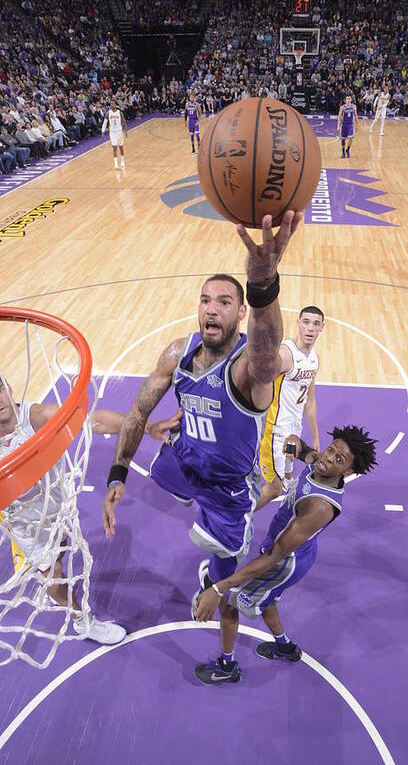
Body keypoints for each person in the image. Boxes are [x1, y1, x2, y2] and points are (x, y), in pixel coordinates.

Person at [102, 211, 304, 611]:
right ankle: (184, 483)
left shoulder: (249, 366)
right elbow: (138, 413)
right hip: (185, 459)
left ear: (241, 313)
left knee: (227, 557)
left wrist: (263, 285)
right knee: (162, 447)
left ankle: (210, 578)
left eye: (225, 302)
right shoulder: (179, 351)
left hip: (229, 487)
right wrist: (117, 474)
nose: (212, 309)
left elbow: (267, 354)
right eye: (206, 300)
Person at [193, 425, 378, 684]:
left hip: (285, 561)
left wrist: (218, 589)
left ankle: (227, 666)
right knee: (268, 600)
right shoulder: (321, 464)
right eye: (331, 449)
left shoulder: (319, 506)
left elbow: (273, 557)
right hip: (293, 550)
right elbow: (306, 451)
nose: (328, 457)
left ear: (348, 471)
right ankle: (284, 647)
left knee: (228, 602)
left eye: (339, 459)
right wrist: (295, 442)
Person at [0, 377, 175, 644]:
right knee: (54, 575)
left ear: (9, 387)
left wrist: (146, 425)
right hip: (24, 522)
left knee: (61, 546)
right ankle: (82, 619)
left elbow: (94, 421)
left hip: (55, 504)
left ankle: (44, 569)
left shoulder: (33, 417)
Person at [258, 306, 324, 510]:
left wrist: (315, 436)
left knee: (288, 470)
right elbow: (257, 380)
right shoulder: (285, 354)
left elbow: (310, 401)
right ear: (298, 323)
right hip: (275, 430)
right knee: (273, 489)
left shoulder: (314, 359)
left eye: (315, 323)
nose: (310, 328)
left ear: (322, 327)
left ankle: (285, 477)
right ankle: (235, 520)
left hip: (294, 429)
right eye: (306, 322)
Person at [101, 98, 127, 170]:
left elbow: (124, 122)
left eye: (113, 103)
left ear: (116, 104)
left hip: (119, 131)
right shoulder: (108, 113)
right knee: (114, 147)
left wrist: (126, 131)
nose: (112, 105)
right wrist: (102, 131)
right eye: (111, 103)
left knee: (121, 147)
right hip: (112, 132)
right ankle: (116, 164)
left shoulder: (119, 112)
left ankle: (122, 161)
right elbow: (105, 123)